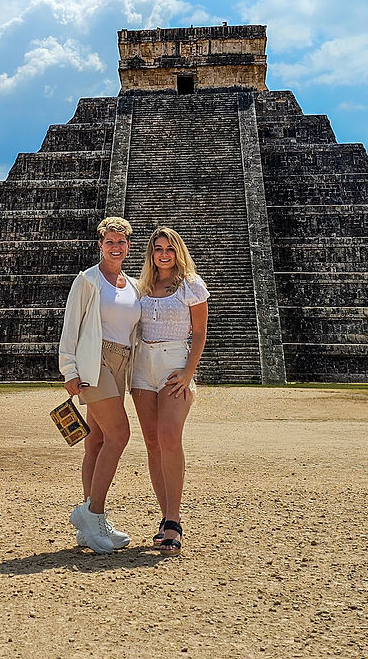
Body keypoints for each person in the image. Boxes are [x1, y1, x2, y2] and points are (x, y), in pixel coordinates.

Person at [59, 216, 141, 554]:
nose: (116, 247)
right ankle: (92, 513)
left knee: (95, 444)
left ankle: (91, 525)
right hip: (96, 361)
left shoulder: (133, 284)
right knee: (120, 435)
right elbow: (71, 325)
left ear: (128, 246)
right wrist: (69, 370)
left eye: (121, 242)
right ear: (100, 245)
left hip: (121, 363)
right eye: (110, 242)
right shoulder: (87, 281)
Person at [131, 227, 209, 556]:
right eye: (158, 248)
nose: (164, 254)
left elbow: (201, 332)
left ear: (179, 251)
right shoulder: (142, 287)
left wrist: (189, 373)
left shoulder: (191, 285)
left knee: (168, 437)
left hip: (173, 363)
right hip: (142, 366)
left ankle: (174, 520)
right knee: (151, 443)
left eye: (170, 248)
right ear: (151, 253)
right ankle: (165, 517)